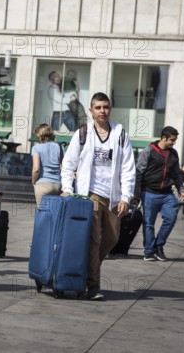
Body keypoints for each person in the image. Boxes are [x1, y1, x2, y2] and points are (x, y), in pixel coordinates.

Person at [60, 92, 136, 300]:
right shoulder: (83, 133)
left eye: (106, 107)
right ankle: (93, 285)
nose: (103, 111)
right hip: (89, 195)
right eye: (98, 107)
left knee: (111, 238)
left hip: (113, 197)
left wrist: (126, 197)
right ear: (91, 111)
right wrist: (67, 188)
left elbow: (128, 168)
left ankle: (86, 269)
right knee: (93, 239)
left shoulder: (120, 134)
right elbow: (68, 164)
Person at [135, 126, 184, 262]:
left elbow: (176, 174)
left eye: (175, 140)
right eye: (172, 140)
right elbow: (138, 172)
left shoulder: (173, 153)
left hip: (167, 194)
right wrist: (136, 193)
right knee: (149, 224)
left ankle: (159, 246)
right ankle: (149, 251)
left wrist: (181, 189)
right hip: (149, 192)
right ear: (164, 138)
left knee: (171, 218)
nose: (173, 142)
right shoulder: (149, 151)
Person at [31, 123, 63, 207]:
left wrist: (34, 181)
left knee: (43, 215)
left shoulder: (36, 148)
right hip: (57, 185)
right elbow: (62, 168)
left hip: (43, 185)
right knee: (55, 214)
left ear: (39, 134)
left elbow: (36, 169)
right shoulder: (60, 147)